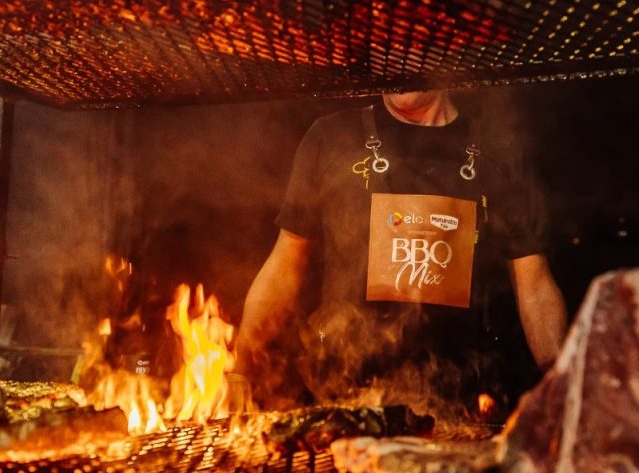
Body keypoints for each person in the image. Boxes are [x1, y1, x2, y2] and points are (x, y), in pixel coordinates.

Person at [232, 90, 567, 415]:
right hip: (345, 398)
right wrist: (239, 371)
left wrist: (563, 383)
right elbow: (285, 264)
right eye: (382, 48)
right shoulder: (331, 137)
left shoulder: (497, 149)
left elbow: (534, 282)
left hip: (460, 404)